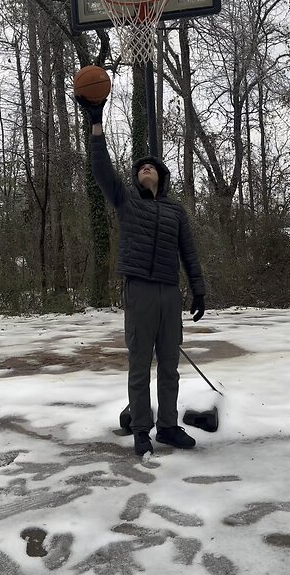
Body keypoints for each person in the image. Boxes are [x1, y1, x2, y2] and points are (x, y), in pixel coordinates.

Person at [73, 88, 207, 457]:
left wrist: (198, 289)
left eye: (151, 166)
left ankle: (167, 427)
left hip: (168, 292)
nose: (145, 168)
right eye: (139, 167)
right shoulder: (126, 200)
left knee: (169, 366)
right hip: (139, 291)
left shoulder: (176, 211)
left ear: (161, 176)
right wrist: (96, 121)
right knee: (138, 365)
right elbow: (100, 168)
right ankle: (142, 430)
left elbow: (189, 252)